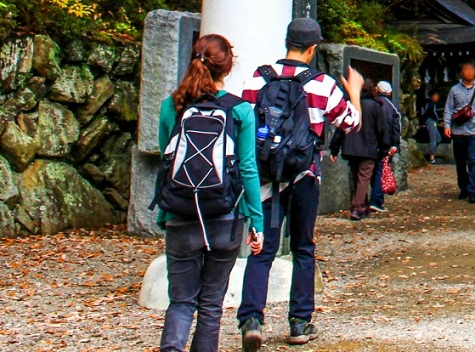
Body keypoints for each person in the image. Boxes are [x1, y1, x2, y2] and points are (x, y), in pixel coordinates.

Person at [237, 18, 363, 349]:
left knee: (261, 248)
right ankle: (299, 322)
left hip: (265, 178)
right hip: (305, 175)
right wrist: (355, 95)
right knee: (303, 247)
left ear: (286, 42)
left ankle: (251, 319)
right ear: (313, 48)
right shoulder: (321, 84)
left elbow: (243, 121)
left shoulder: (258, 78)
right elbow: (349, 122)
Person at [156, 34, 265, 352]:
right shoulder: (240, 110)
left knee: (180, 302)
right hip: (225, 219)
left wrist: (166, 213)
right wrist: (255, 223)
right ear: (227, 68)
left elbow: (168, 161)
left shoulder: (172, 106)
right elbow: (247, 171)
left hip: (181, 216)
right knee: (211, 306)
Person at [331, 78, 395, 220]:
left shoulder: (350, 106)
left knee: (357, 178)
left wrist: (334, 148)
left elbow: (341, 128)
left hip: (350, 147)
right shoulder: (375, 107)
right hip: (369, 148)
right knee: (363, 178)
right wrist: (385, 149)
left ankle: (363, 206)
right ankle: (358, 207)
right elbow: (382, 130)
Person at [442, 61, 475, 203]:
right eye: (466, 69)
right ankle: (463, 188)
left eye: (471, 69)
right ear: (461, 72)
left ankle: (472, 191)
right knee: (460, 162)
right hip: (458, 131)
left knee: (474, 161)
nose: (469, 72)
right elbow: (449, 108)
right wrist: (447, 125)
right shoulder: (454, 90)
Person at [368, 81, 402, 214]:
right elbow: (396, 127)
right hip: (385, 144)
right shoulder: (392, 107)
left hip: (369, 144)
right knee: (380, 171)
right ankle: (376, 200)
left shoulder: (370, 103)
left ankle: (365, 199)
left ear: (376, 90)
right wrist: (395, 145)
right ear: (390, 92)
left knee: (369, 171)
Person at [418, 88, 444, 162]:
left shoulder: (431, 103)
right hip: (430, 121)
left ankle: (430, 153)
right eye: (437, 96)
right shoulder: (429, 103)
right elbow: (429, 112)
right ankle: (431, 157)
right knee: (433, 138)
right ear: (433, 96)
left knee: (438, 138)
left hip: (433, 121)